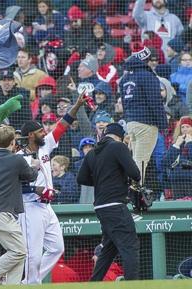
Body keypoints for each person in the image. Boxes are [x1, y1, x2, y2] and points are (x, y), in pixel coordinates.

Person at [18, 91, 86, 284]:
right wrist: (35, 190)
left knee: (57, 248)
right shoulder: (19, 157)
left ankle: (30, 281)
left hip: (47, 207)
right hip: (29, 206)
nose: (44, 132)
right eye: (40, 131)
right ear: (31, 135)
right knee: (33, 253)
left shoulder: (45, 146)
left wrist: (77, 105)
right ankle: (31, 283)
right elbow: (14, 186)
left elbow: (62, 125)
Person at [77, 123, 141, 280]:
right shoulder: (118, 147)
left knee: (108, 250)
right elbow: (135, 173)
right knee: (130, 246)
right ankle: (133, 284)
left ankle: (95, 282)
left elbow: (81, 178)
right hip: (115, 205)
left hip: (100, 207)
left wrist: (103, 181)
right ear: (119, 136)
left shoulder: (92, 153)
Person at [0, 126, 39, 284]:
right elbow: (31, 176)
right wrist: (35, 165)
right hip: (2, 212)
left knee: (16, 252)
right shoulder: (17, 159)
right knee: (19, 251)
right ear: (13, 142)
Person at [120, 47, 167, 184]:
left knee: (135, 158)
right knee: (140, 160)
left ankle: (132, 188)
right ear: (145, 60)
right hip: (146, 124)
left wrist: (129, 120)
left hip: (131, 123)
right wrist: (163, 124)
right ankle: (135, 192)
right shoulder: (147, 76)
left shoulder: (125, 78)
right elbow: (155, 102)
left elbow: (124, 103)